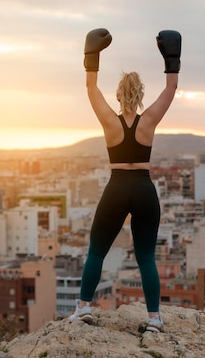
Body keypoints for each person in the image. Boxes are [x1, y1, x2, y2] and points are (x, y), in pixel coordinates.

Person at [69, 28, 181, 333]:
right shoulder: (149, 120)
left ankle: (82, 309)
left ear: (118, 95)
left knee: (97, 250)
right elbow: (171, 88)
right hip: (144, 189)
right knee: (146, 256)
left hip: (117, 187)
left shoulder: (109, 120)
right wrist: (171, 55)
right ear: (141, 95)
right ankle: (154, 319)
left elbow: (91, 87)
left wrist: (92, 52)